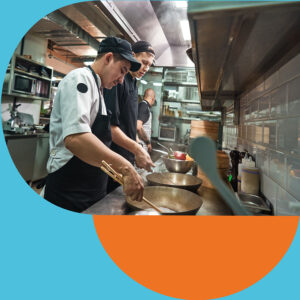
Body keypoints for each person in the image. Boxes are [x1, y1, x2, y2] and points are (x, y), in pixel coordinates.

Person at [43, 37, 144, 213]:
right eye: (122, 70)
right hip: (69, 192)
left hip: (90, 190)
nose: (121, 80)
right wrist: (125, 167)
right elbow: (76, 139)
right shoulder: (79, 78)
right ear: (108, 58)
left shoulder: (99, 90)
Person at [104, 40, 156, 193]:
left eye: (149, 65)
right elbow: (110, 127)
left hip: (126, 162)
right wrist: (137, 150)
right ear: (133, 56)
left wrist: (138, 145)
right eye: (144, 62)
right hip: (113, 162)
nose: (146, 68)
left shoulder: (133, 83)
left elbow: (128, 124)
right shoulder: (118, 81)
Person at [137, 88, 156, 153]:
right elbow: (138, 126)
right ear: (153, 99)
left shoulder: (144, 106)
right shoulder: (144, 106)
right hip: (141, 145)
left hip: (142, 145)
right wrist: (148, 142)